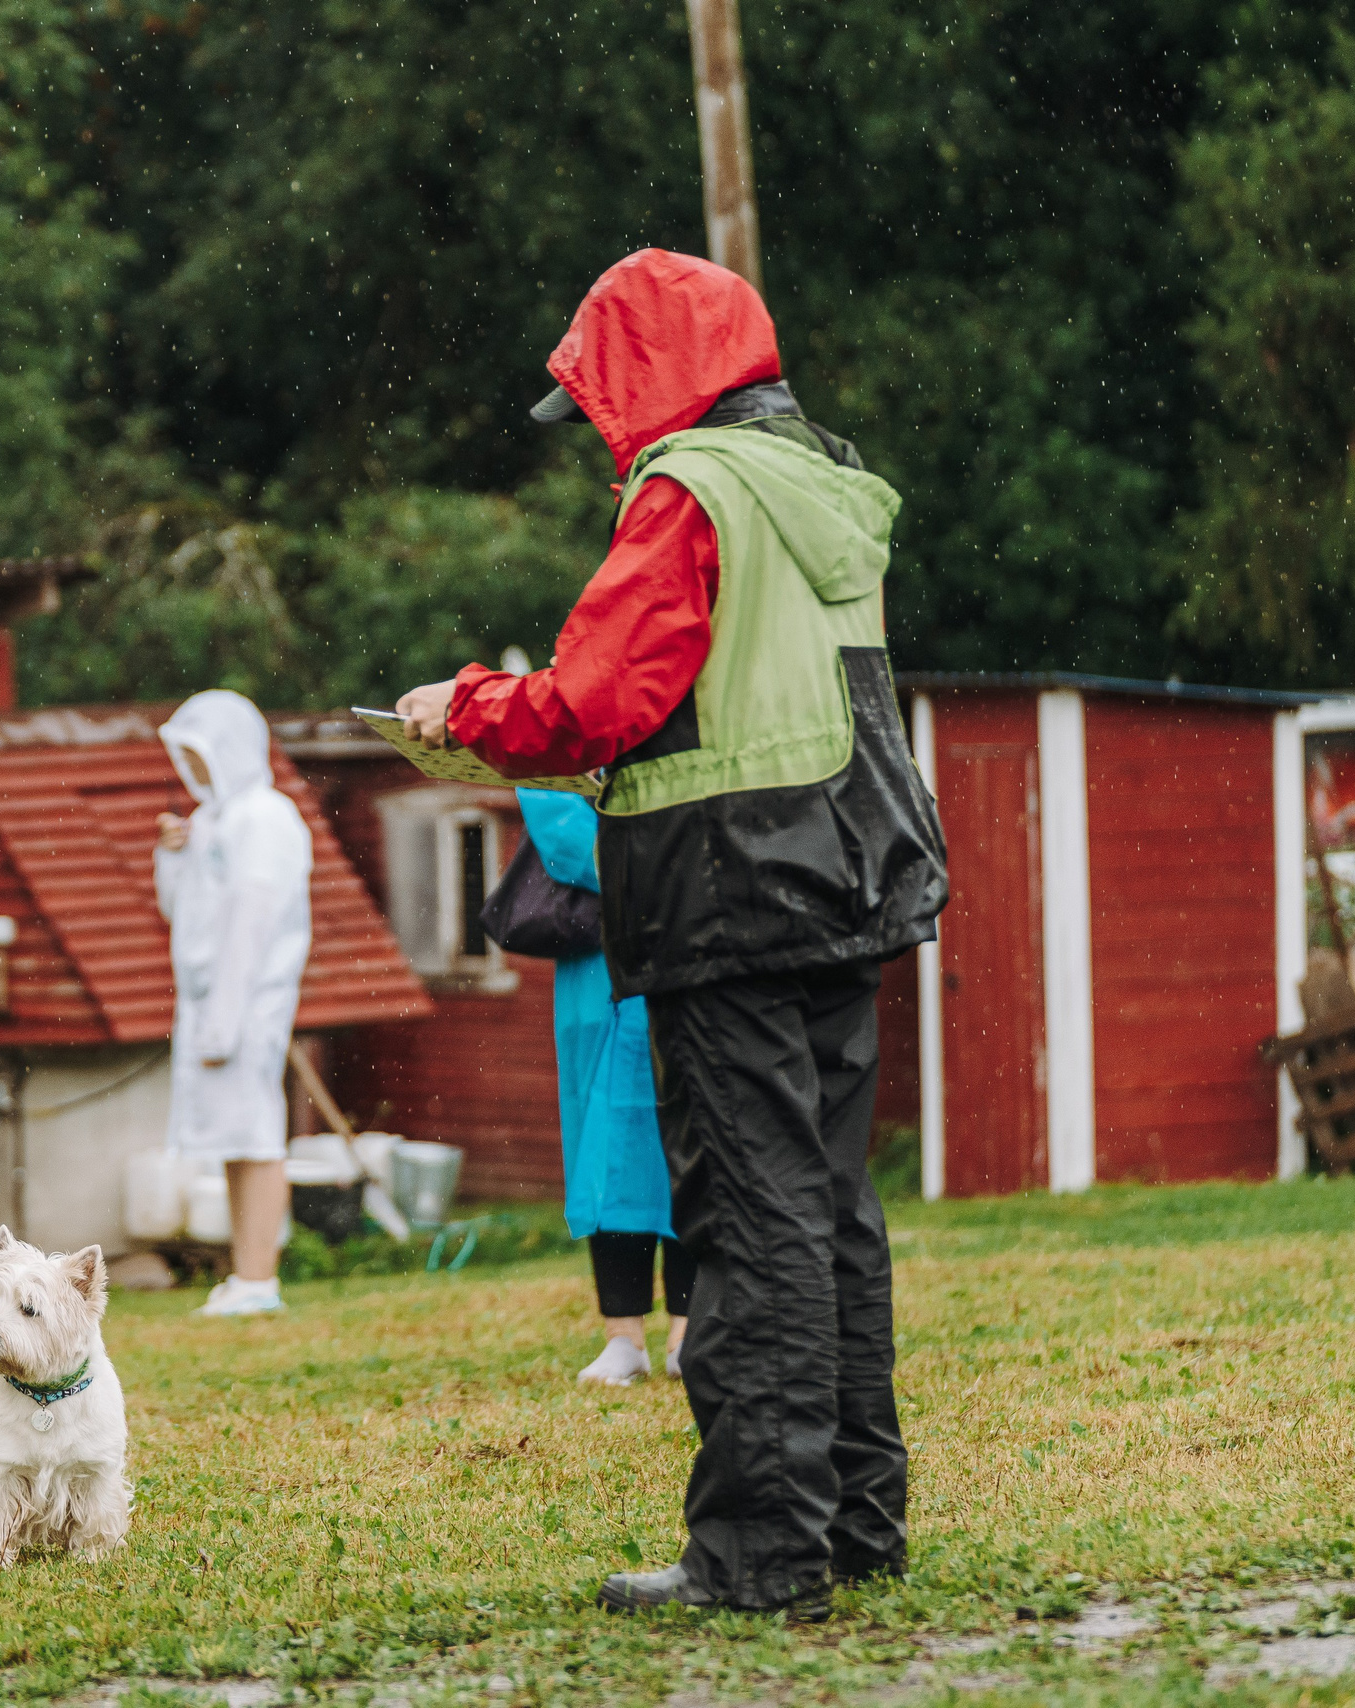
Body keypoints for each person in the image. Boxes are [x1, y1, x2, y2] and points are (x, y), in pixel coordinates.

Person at [396, 249, 946, 1616]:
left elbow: (593, 700)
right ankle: (855, 1523)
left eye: (595, 399)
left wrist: (461, 709)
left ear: (644, 375)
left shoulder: (690, 490)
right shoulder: (820, 479)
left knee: (748, 1224)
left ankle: (759, 1556)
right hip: (844, 871)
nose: (594, 433)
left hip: (728, 887)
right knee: (829, 1214)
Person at [515, 785, 693, 1388]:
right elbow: (556, 819)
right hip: (601, 961)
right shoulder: (558, 700)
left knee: (688, 1135)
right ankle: (623, 1335)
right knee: (605, 1149)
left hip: (683, 945)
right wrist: (655, 867)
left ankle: (690, 1330)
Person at [152, 690, 313, 1317]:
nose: (192, 770)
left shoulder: (264, 818)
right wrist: (175, 855)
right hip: (210, 1000)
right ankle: (244, 1274)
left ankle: (259, 1277)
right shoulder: (215, 820)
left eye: (201, 755)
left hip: (248, 998)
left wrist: (226, 1015)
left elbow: (252, 920)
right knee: (230, 1135)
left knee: (257, 1132)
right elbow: (180, 911)